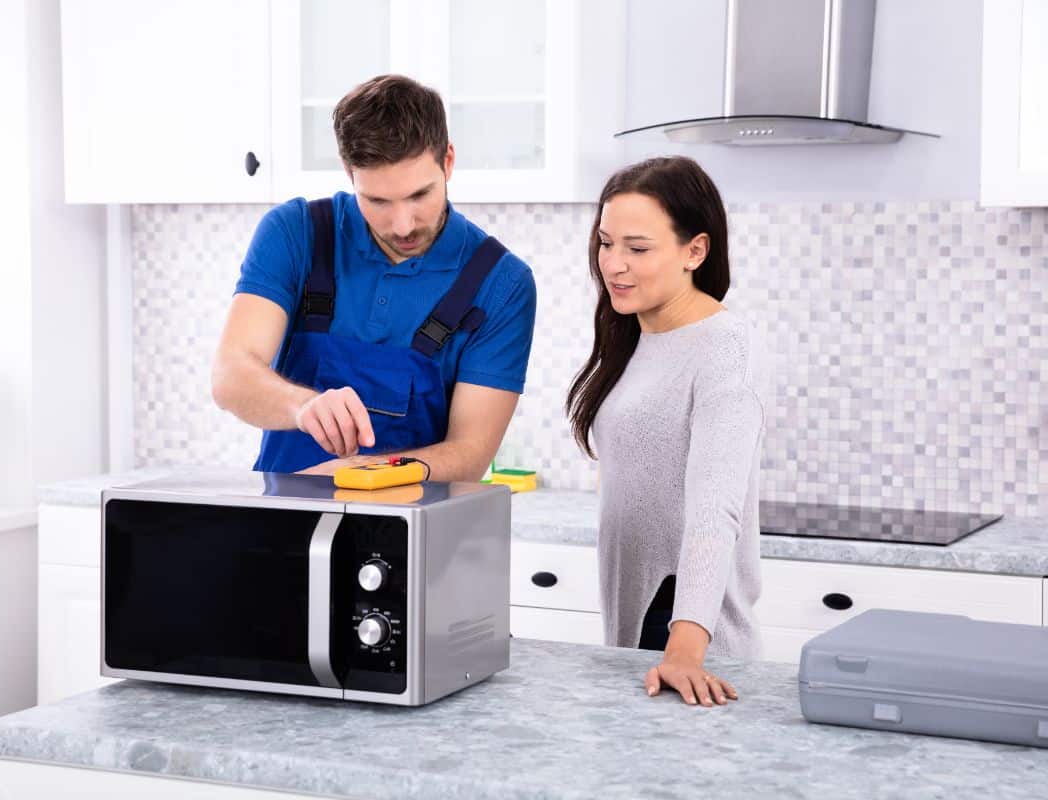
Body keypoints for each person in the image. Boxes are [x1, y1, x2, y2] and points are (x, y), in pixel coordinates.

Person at [212, 75, 536, 480]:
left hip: (412, 535)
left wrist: (348, 478)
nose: (403, 226)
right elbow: (231, 375)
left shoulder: (502, 284)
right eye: (378, 201)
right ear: (349, 174)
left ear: (448, 161)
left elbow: (469, 454)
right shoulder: (295, 232)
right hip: (281, 524)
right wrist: (302, 407)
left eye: (420, 195)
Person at [566, 156, 765, 707]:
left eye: (638, 248)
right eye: (606, 243)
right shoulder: (632, 334)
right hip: (634, 631)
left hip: (689, 640)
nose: (614, 265)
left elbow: (714, 510)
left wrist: (684, 648)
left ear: (694, 252)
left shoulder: (726, 349)